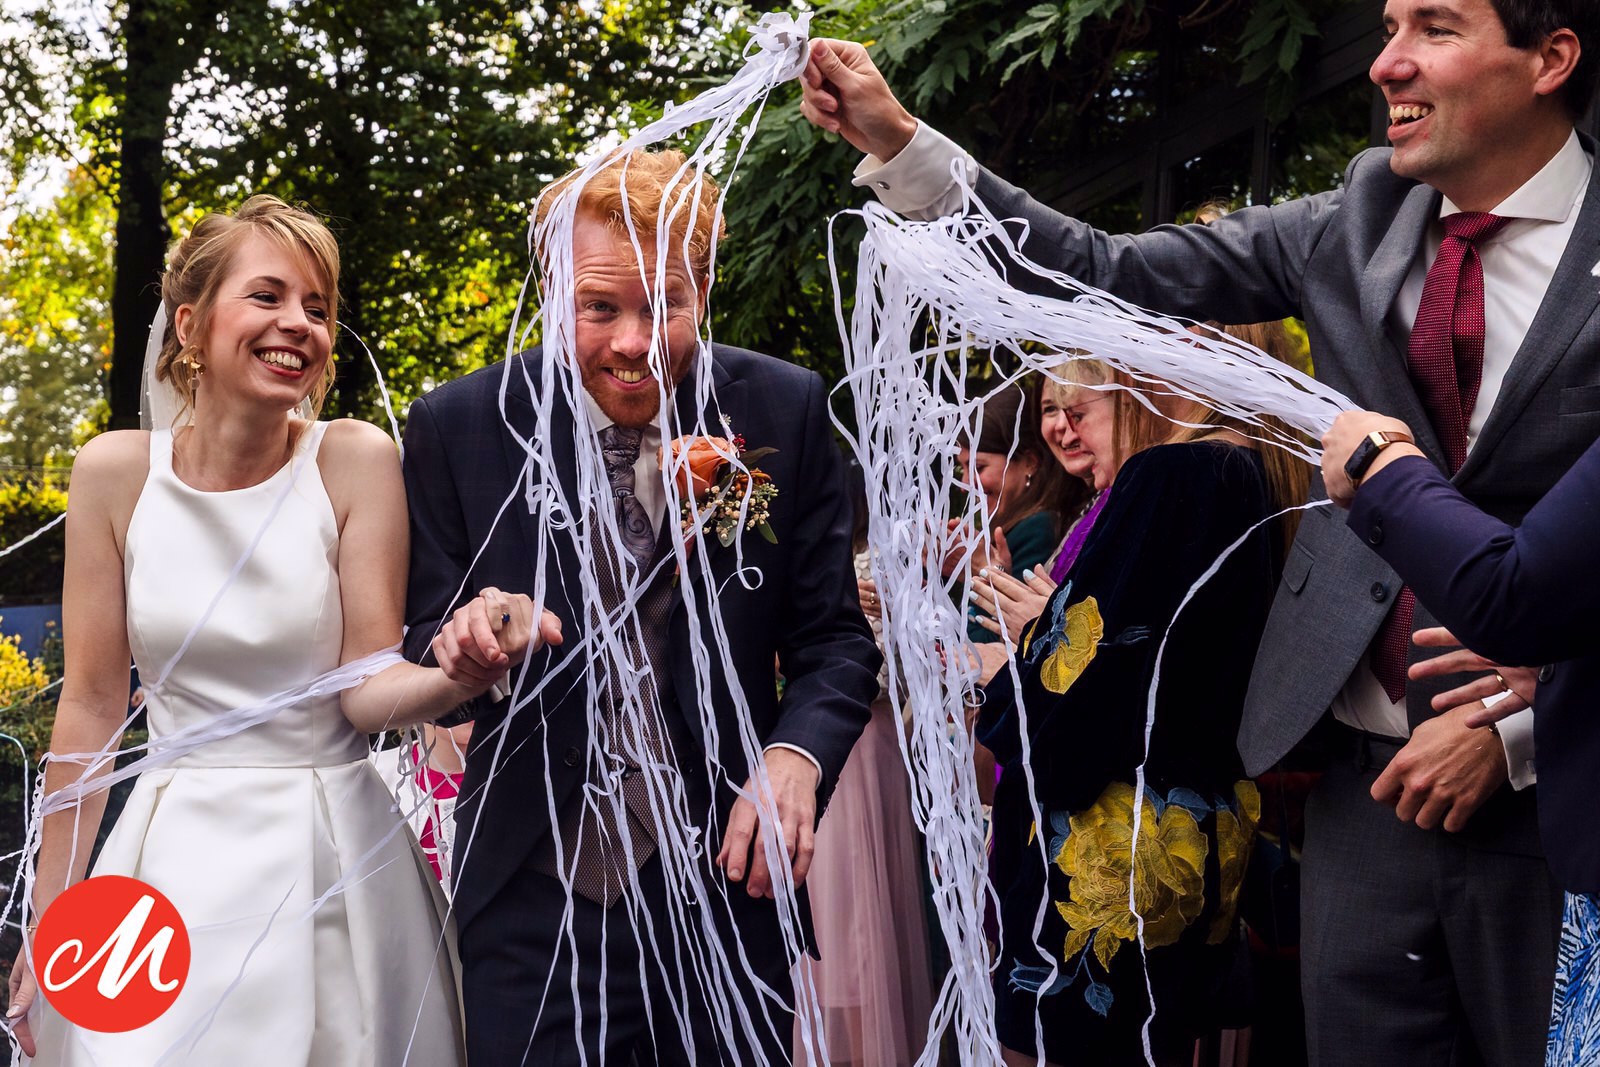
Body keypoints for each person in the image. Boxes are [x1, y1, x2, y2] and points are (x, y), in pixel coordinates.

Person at [800, 2, 1596, 1059]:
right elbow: (1098, 270)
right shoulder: (1357, 216)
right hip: (1361, 793)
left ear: (1550, 58)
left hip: (1560, 793)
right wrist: (902, 143)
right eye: (1387, 25)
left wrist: (1521, 726)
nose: (1387, 63)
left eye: (1434, 29)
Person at [5, 195, 553, 1064]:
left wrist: (462, 670)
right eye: (267, 295)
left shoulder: (353, 458)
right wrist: (52, 917)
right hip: (167, 855)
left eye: (318, 307)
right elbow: (92, 706)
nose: (299, 322)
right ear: (190, 325)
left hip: (333, 856)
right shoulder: (113, 473)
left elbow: (368, 687)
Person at [401, 149, 881, 1064]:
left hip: (727, 878)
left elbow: (834, 641)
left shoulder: (782, 408)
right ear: (553, 290)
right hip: (533, 888)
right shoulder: (459, 425)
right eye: (599, 308)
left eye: (664, 306)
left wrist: (795, 756)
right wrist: (462, 648)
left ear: (705, 289)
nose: (634, 342)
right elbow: (420, 636)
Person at [972, 367, 1300, 1065]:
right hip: (1189, 848)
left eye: (1080, 405)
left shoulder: (1174, 473)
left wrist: (1030, 647)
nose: (1065, 427)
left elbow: (1087, 704)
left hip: (1107, 871)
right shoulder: (1253, 467)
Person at [1320, 409, 1600, 1065]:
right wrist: (1565, 673)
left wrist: (1378, 460)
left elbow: (1515, 595)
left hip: (1539, 825)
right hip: (1356, 795)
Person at [799, 464, 936, 1067]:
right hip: (856, 747)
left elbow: (877, 676)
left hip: (852, 750)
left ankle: (856, 1046)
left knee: (852, 906)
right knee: (838, 904)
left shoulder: (870, 567)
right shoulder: (826, 570)